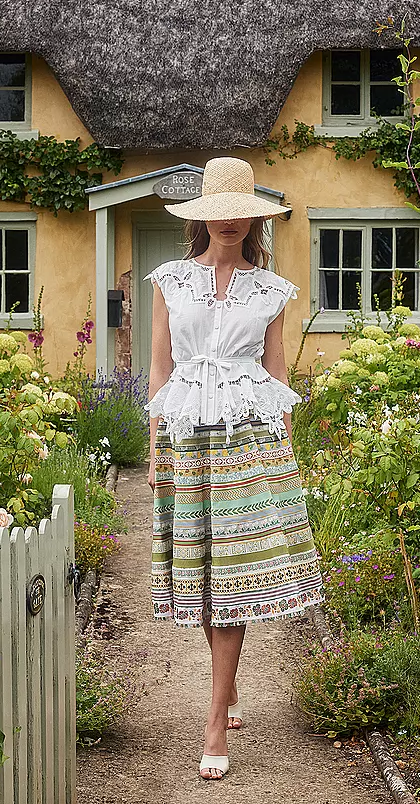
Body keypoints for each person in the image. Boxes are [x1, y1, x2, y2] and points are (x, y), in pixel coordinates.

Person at [144, 156, 324, 781]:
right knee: (198, 576)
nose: (231, 224)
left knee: (235, 583)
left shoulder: (271, 291)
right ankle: (229, 690)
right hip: (187, 435)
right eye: (219, 215)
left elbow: (277, 371)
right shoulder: (168, 281)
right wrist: (153, 442)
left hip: (251, 440)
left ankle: (215, 721)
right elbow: (161, 369)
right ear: (203, 221)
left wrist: (287, 451)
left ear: (253, 220)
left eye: (240, 214)